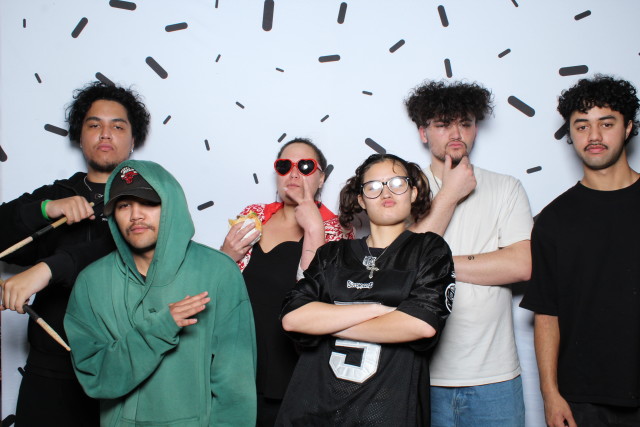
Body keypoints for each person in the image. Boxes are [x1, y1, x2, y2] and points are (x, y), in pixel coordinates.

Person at [0, 81, 150, 426]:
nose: (105, 134)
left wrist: (49, 268)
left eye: (118, 126)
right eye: (94, 125)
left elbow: (128, 253)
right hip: (52, 368)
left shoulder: (151, 199)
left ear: (133, 140)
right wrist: (47, 209)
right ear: (80, 137)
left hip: (127, 365)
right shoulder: (56, 193)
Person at [64, 160, 257, 426]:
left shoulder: (219, 272)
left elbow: (235, 388)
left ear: (171, 205)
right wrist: (159, 329)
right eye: (123, 206)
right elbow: (95, 378)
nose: (136, 215)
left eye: (148, 203)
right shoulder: (91, 282)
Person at [275, 153, 455, 426]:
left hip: (387, 414)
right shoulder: (332, 254)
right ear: (361, 199)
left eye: (397, 183)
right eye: (373, 186)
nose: (386, 192)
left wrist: (326, 324)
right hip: (312, 411)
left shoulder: (429, 249)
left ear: (413, 192)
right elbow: (293, 318)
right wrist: (376, 309)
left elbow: (421, 325)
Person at [406, 80, 533, 426]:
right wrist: (449, 194)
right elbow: (398, 268)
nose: (456, 133)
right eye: (442, 124)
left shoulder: (506, 187)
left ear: (476, 128)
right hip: (419, 374)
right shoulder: (402, 189)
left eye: (465, 123)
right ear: (423, 133)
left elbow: (521, 265)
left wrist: (433, 265)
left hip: (495, 377)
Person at [520, 75, 640, 427]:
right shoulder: (554, 220)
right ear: (571, 134)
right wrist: (550, 394)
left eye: (607, 123)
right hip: (581, 397)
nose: (594, 136)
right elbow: (546, 314)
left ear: (628, 128)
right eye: (582, 126)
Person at [220, 137, 353, 425]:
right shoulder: (253, 215)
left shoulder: (337, 230)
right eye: (284, 166)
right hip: (238, 365)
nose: (293, 173)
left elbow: (324, 300)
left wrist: (314, 228)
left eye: (305, 166)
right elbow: (219, 283)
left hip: (295, 370)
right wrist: (225, 255)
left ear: (321, 178)